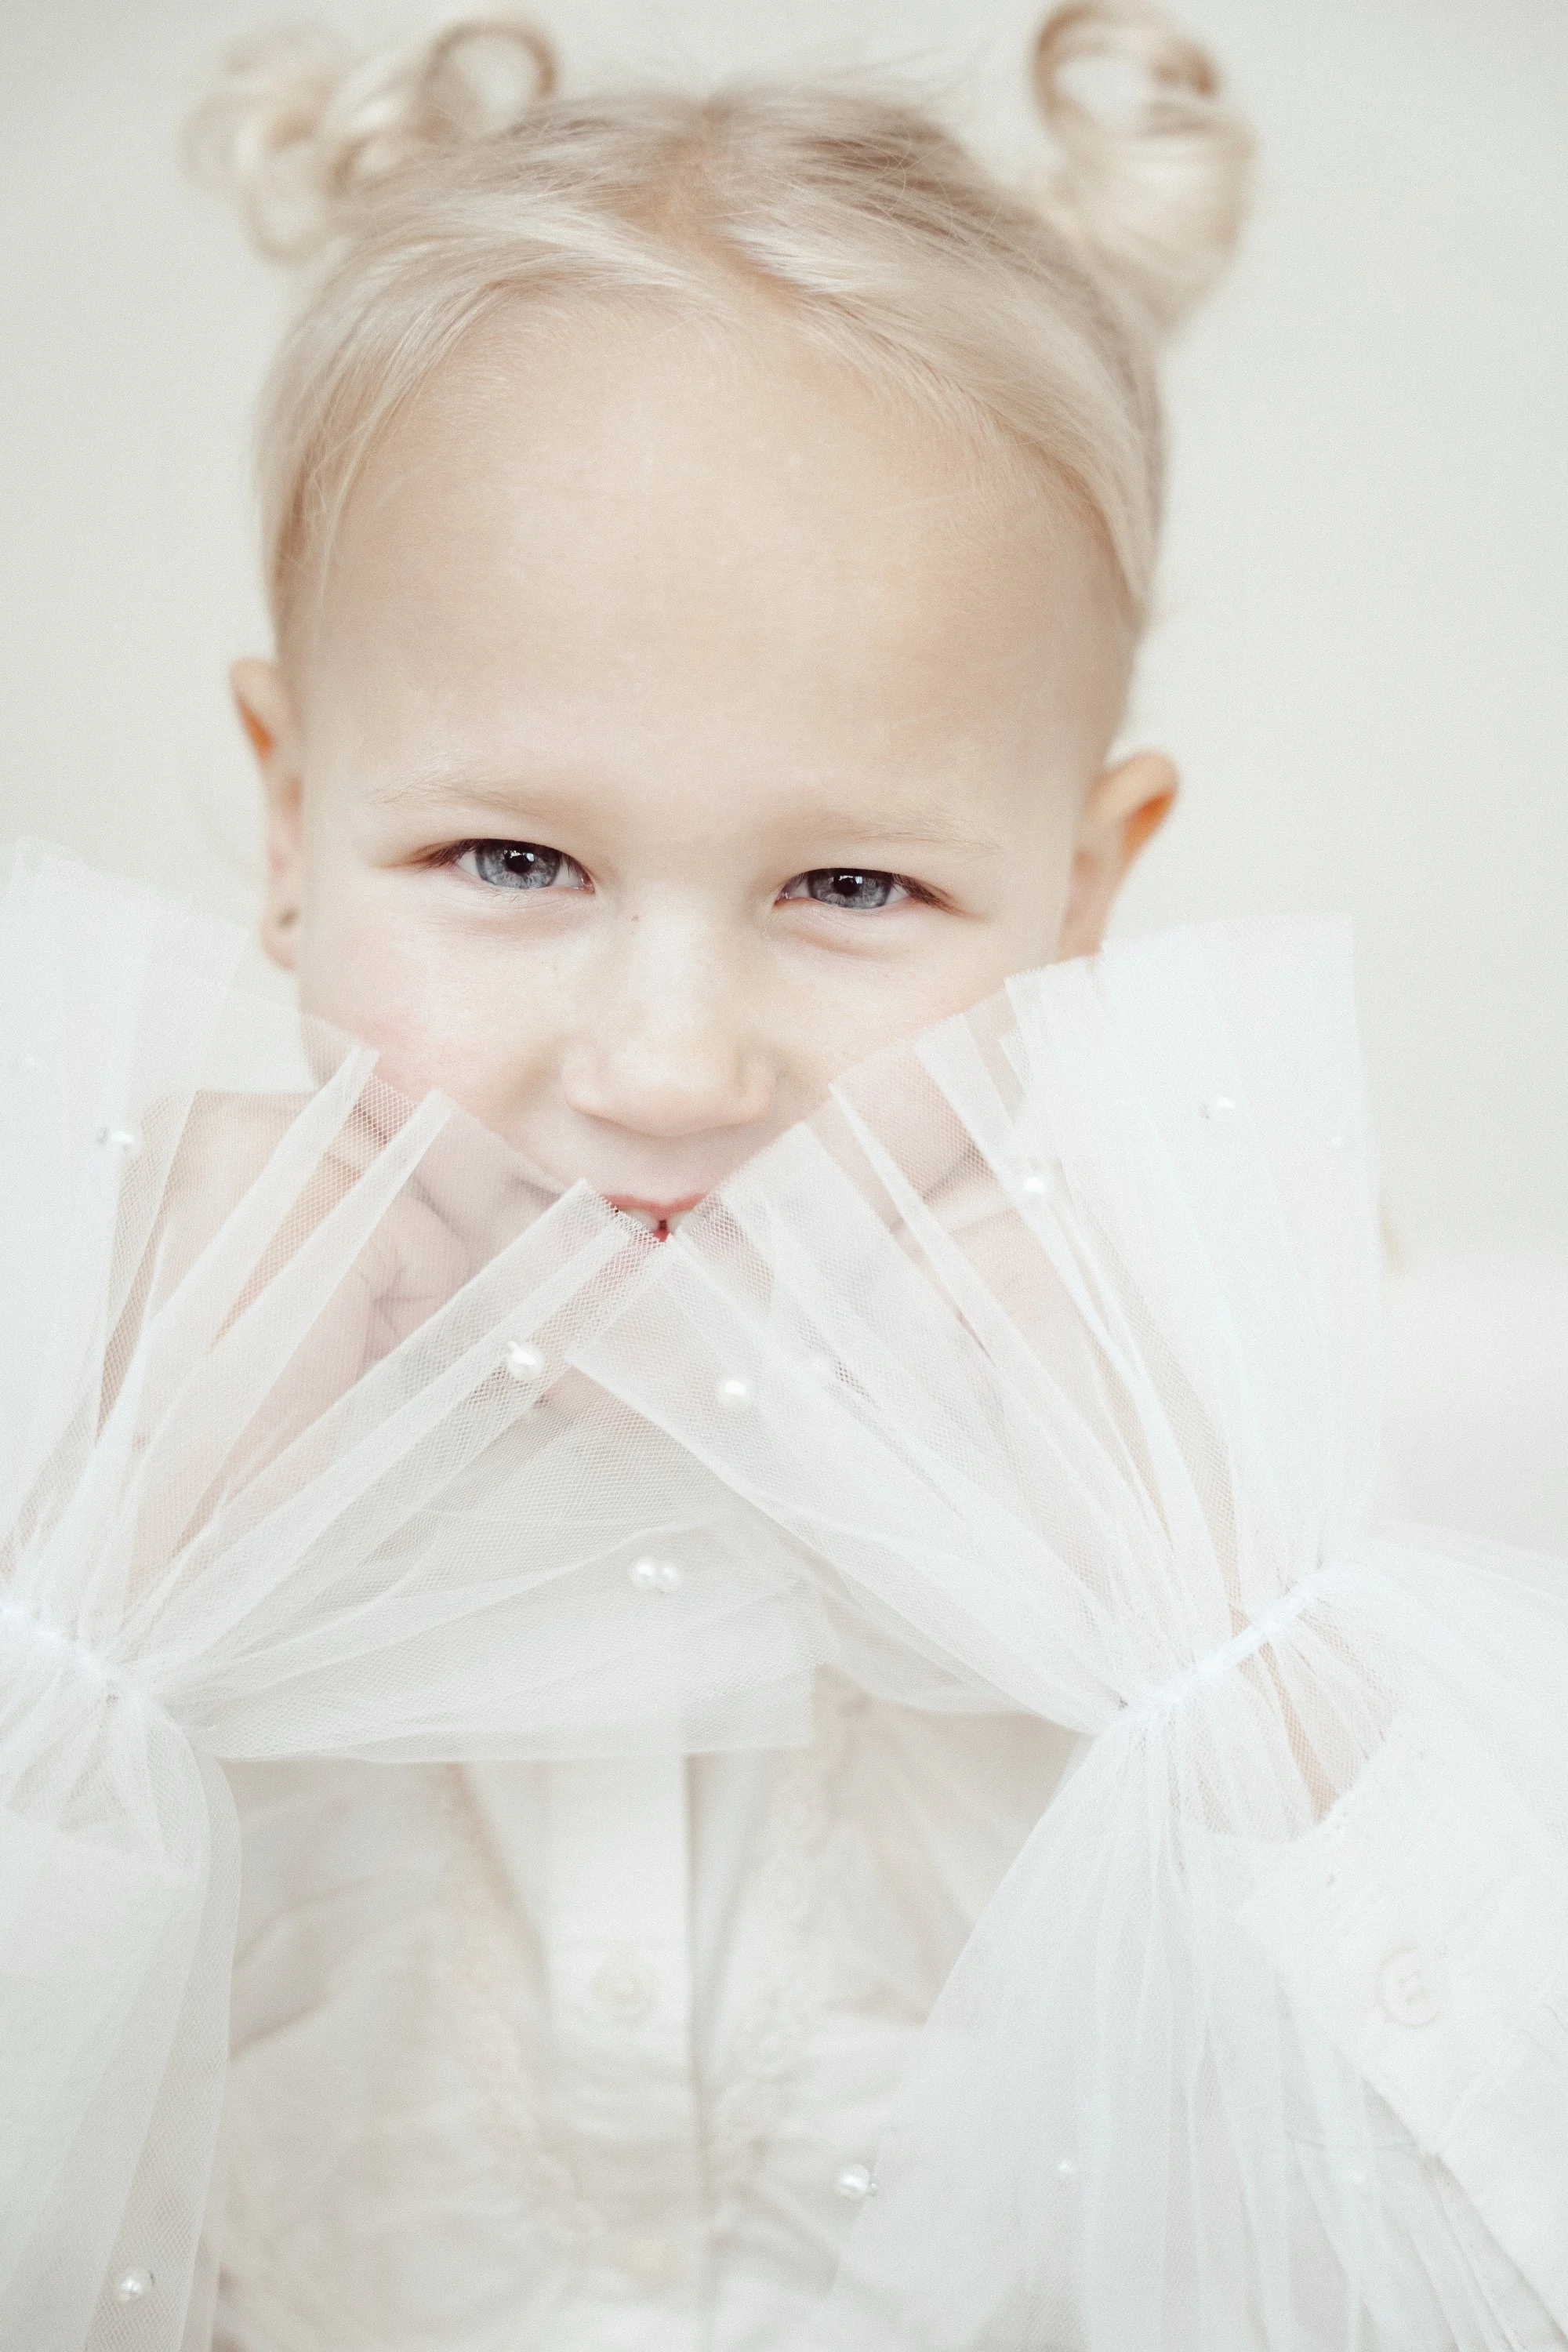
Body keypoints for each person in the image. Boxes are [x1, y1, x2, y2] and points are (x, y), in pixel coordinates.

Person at [3, 8, 1566, 2350]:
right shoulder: (86, 1363)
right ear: (283, 816)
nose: (667, 1066)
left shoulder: (1218, 1385)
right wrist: (79, 1612)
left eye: (852, 890)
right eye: (509, 856)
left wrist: (1244, 1647)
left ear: (1084, 881)